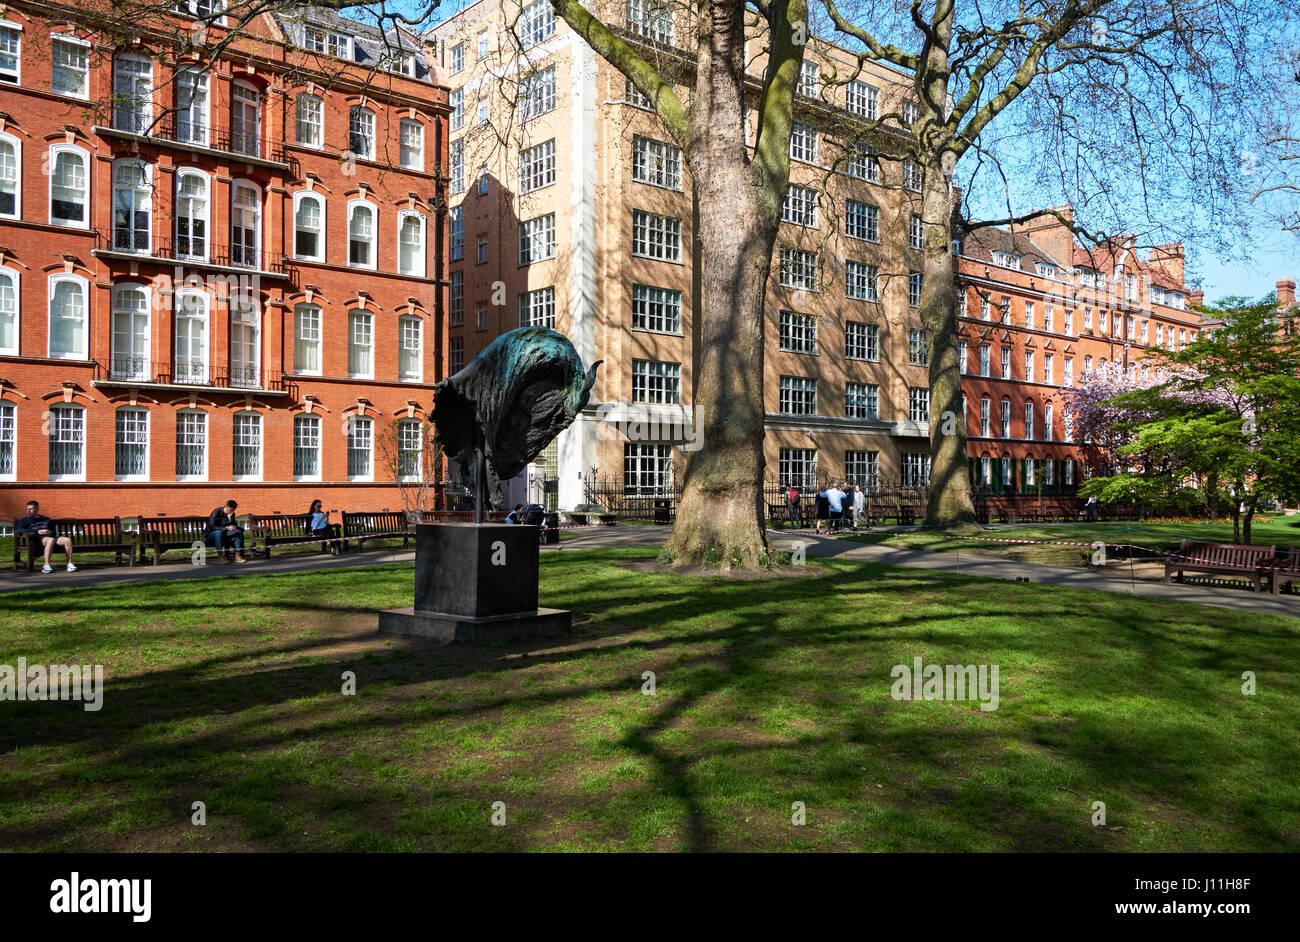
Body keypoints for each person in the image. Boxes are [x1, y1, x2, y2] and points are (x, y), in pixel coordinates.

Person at [14, 500, 76, 574]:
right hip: (38, 539)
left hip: (51, 537)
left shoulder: (46, 519)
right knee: (50, 540)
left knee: (67, 540)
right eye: (27, 509)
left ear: (37, 509)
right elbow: (19, 530)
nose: (28, 511)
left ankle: (69, 564)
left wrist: (50, 532)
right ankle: (46, 565)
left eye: (31, 509)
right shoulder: (24, 520)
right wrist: (37, 531)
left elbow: (54, 532)